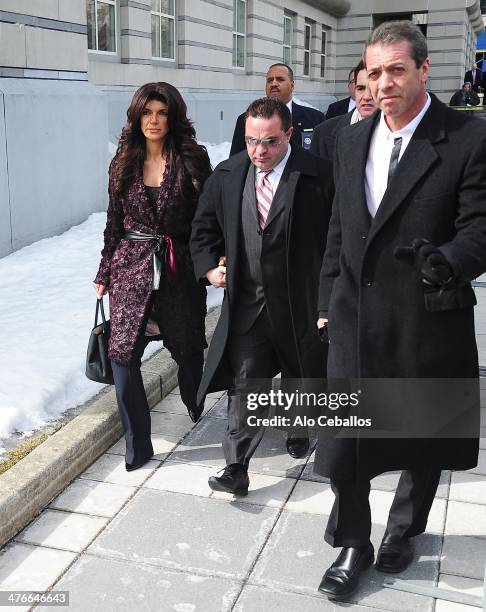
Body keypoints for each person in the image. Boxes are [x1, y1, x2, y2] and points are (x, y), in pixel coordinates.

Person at [315, 20, 486, 601]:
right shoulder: (347, 137)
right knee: (344, 442)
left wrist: (449, 259)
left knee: (422, 435)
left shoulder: (465, 138)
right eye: (374, 71)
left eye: (396, 70)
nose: (382, 82)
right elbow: (339, 226)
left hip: (425, 317)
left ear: (423, 70)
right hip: (354, 317)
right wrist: (324, 301)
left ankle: (404, 529)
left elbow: (480, 227)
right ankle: (353, 541)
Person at [191, 97, 333, 495]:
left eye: (269, 142)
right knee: (246, 382)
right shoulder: (229, 174)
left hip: (300, 304)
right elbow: (202, 229)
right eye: (252, 141)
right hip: (249, 305)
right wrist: (208, 268)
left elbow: (338, 240)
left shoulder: (320, 177)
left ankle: (298, 428)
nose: (259, 151)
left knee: (300, 374)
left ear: (289, 134)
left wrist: (330, 301)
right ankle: (236, 466)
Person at [93, 82, 212, 471]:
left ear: (173, 116)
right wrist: (104, 269)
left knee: (189, 349)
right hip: (132, 266)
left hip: (180, 269)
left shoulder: (193, 158)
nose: (154, 120)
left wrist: (210, 262)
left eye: (162, 112)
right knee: (122, 355)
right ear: (136, 116)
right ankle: (137, 443)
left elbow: (206, 220)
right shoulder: (123, 161)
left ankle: (195, 401)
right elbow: (114, 221)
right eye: (147, 112)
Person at [229, 63, 324, 155]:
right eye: (269, 80)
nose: (274, 83)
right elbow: (235, 162)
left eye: (280, 79)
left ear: (292, 85)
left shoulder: (315, 118)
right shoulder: (246, 120)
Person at [310, 60, 377, 163]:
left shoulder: (402, 133)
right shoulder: (323, 133)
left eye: (373, 89)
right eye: (360, 88)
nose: (367, 96)